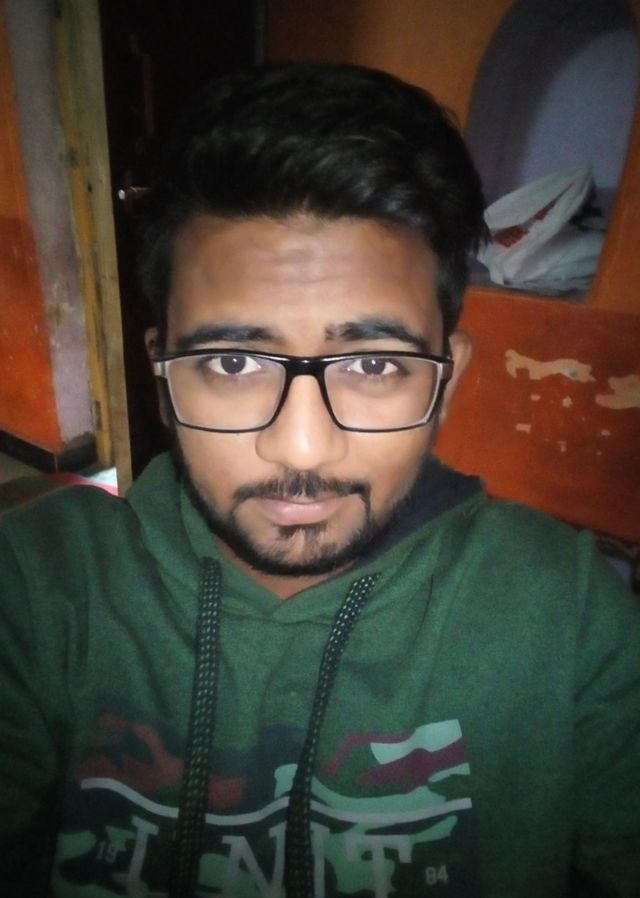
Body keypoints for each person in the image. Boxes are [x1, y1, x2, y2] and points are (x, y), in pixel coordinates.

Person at [1, 61, 638, 898]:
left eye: (372, 363)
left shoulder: (569, 614)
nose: (301, 448)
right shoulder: (34, 586)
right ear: (161, 373)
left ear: (446, 380)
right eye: (234, 362)